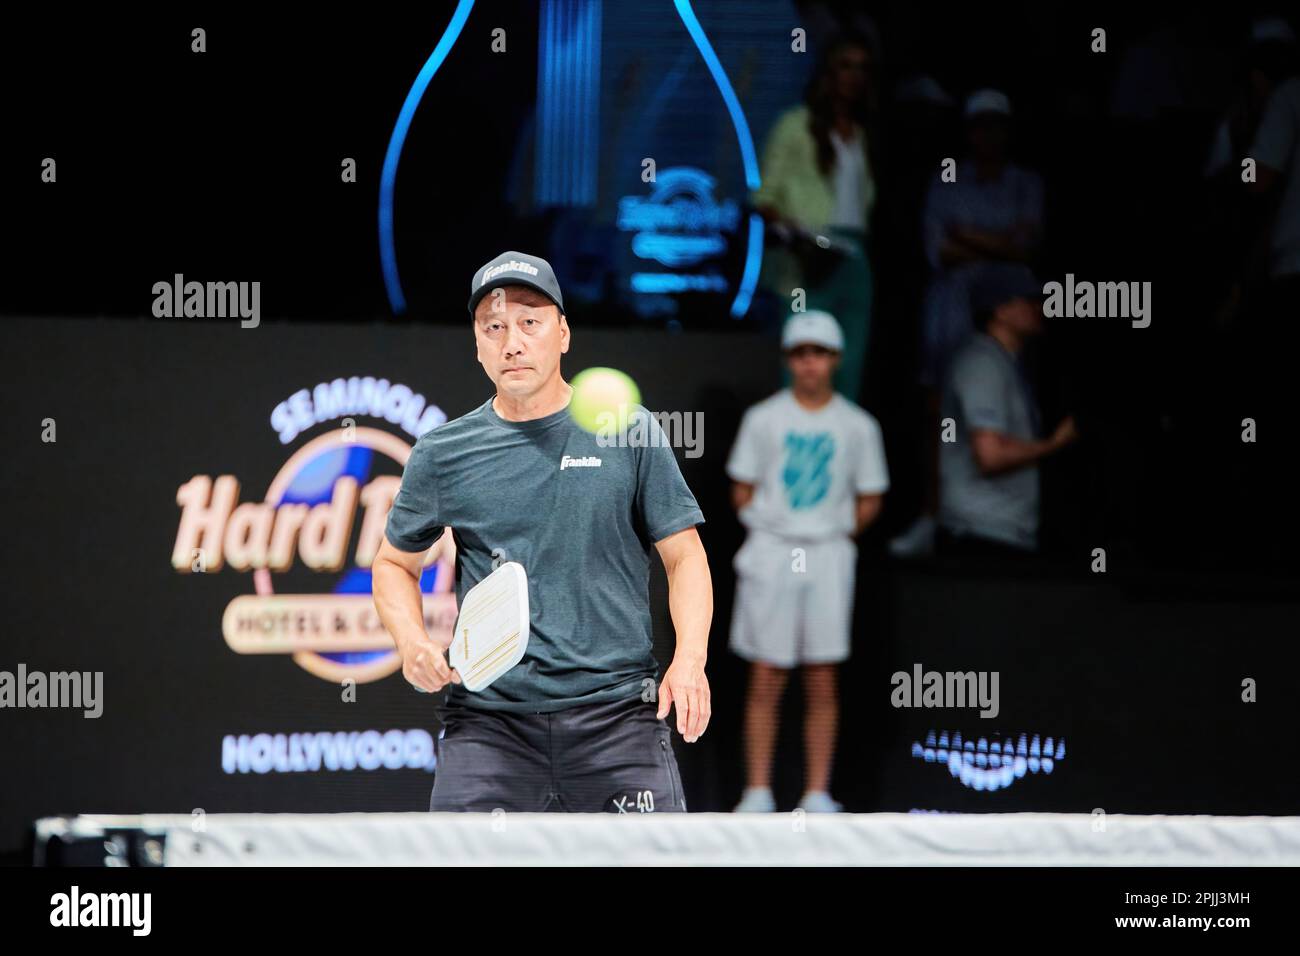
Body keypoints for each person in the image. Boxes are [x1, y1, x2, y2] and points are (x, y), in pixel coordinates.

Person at [372, 251, 712, 813]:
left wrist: (691, 659)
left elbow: (685, 558)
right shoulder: (442, 454)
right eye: (494, 326)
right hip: (488, 724)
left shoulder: (629, 430)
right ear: (477, 344)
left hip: (619, 713)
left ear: (564, 334)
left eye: (530, 322)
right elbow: (393, 564)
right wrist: (411, 644)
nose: (512, 342)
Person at [726, 310, 889, 813]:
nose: (810, 363)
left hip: (827, 557)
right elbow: (742, 488)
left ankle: (817, 792)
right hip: (773, 552)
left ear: (835, 360)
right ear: (789, 360)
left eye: (818, 353)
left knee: (822, 674)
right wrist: (780, 527)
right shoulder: (763, 419)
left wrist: (829, 532)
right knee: (767, 672)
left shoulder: (858, 426)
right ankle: (757, 791)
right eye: (800, 353)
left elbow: (870, 496)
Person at [891, 90, 1045, 557]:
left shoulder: (1026, 183)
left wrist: (972, 238)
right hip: (952, 307)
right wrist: (999, 243)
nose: (988, 135)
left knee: (1004, 408)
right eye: (980, 125)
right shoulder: (947, 178)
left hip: (1008, 314)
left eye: (997, 125)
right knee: (938, 413)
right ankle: (933, 515)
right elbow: (940, 249)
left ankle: (1001, 518)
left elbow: (1027, 249)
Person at [754, 31, 878, 404]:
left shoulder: (863, 132)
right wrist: (798, 236)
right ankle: (797, 448)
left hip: (855, 251)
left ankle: (841, 454)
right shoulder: (795, 125)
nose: (854, 75)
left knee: (850, 358)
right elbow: (763, 197)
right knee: (805, 353)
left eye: (862, 68)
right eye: (845, 66)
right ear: (827, 72)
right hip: (810, 252)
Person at [937, 272, 1077, 557]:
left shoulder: (1005, 362)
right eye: (1028, 301)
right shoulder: (982, 363)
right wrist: (1055, 444)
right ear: (1000, 309)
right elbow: (991, 455)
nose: (1039, 308)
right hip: (980, 532)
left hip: (1001, 529)